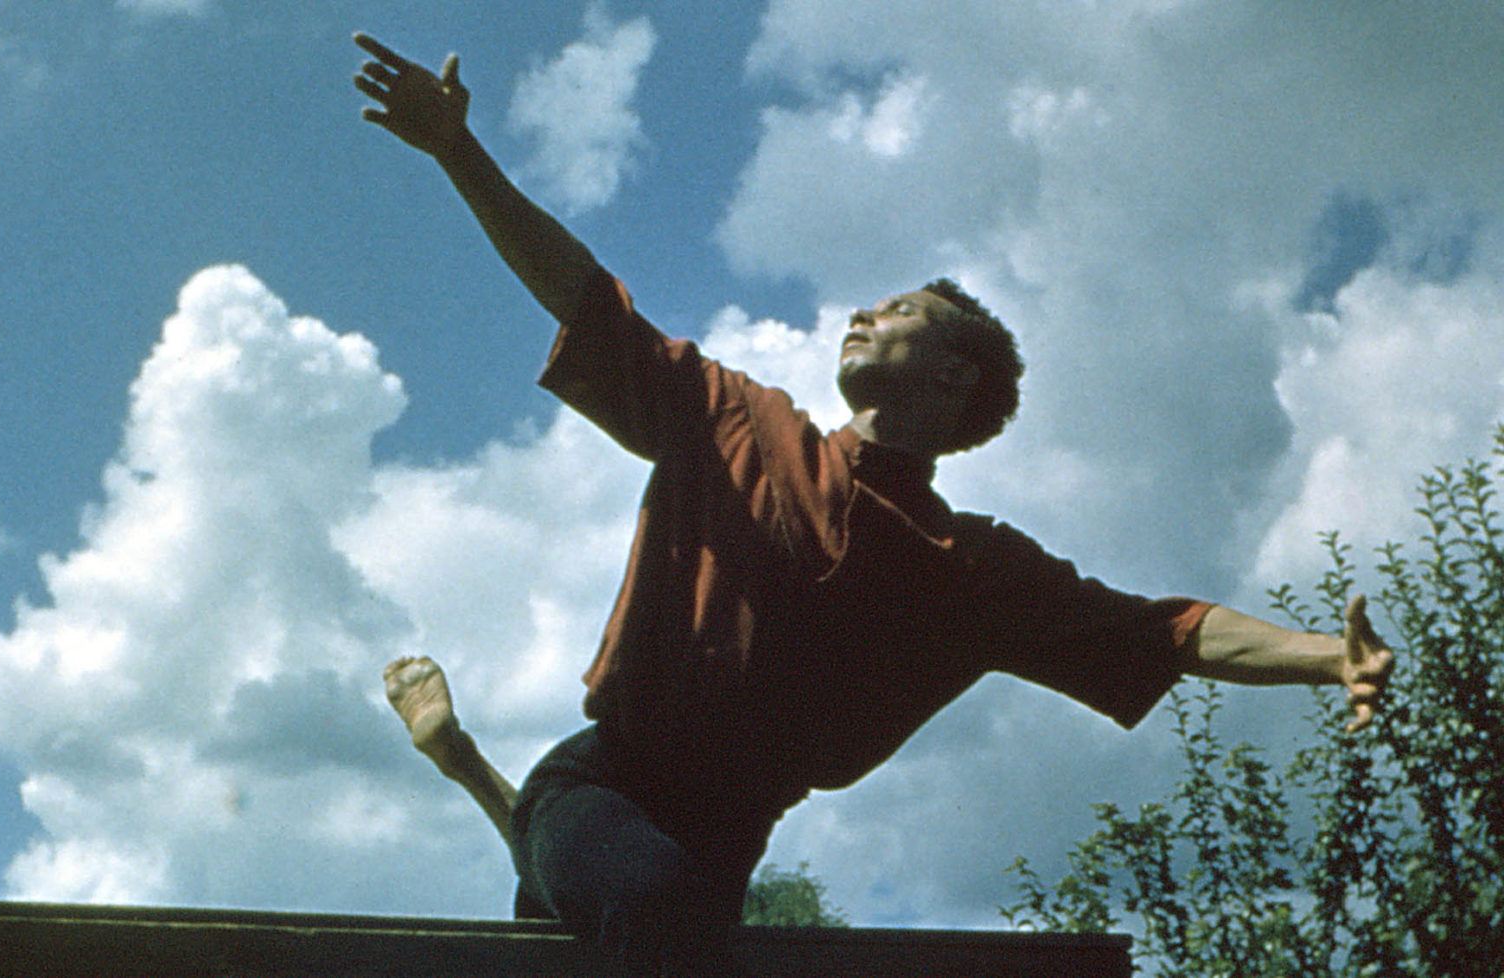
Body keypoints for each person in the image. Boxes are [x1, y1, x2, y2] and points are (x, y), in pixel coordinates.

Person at [352, 33, 1395, 976]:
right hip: (603, 787)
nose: (862, 312)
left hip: (726, 841)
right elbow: (584, 296)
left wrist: (1325, 656)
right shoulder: (736, 422)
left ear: (953, 379)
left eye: (900, 313)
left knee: (610, 928)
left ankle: (465, 771)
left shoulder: (971, 568)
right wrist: (459, 154)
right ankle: (497, 791)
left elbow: (1166, 629)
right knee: (648, 906)